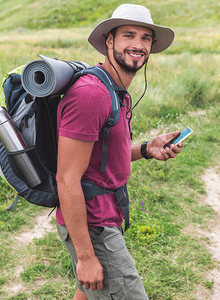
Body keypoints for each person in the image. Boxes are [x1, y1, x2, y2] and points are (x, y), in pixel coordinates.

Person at [55, 4, 182, 300]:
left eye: (146, 38)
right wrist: (86, 257)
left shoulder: (115, 91)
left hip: (106, 215)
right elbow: (67, 179)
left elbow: (102, 157)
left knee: (86, 294)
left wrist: (146, 150)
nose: (138, 45)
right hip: (93, 223)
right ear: (109, 41)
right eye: (128, 35)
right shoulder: (91, 95)